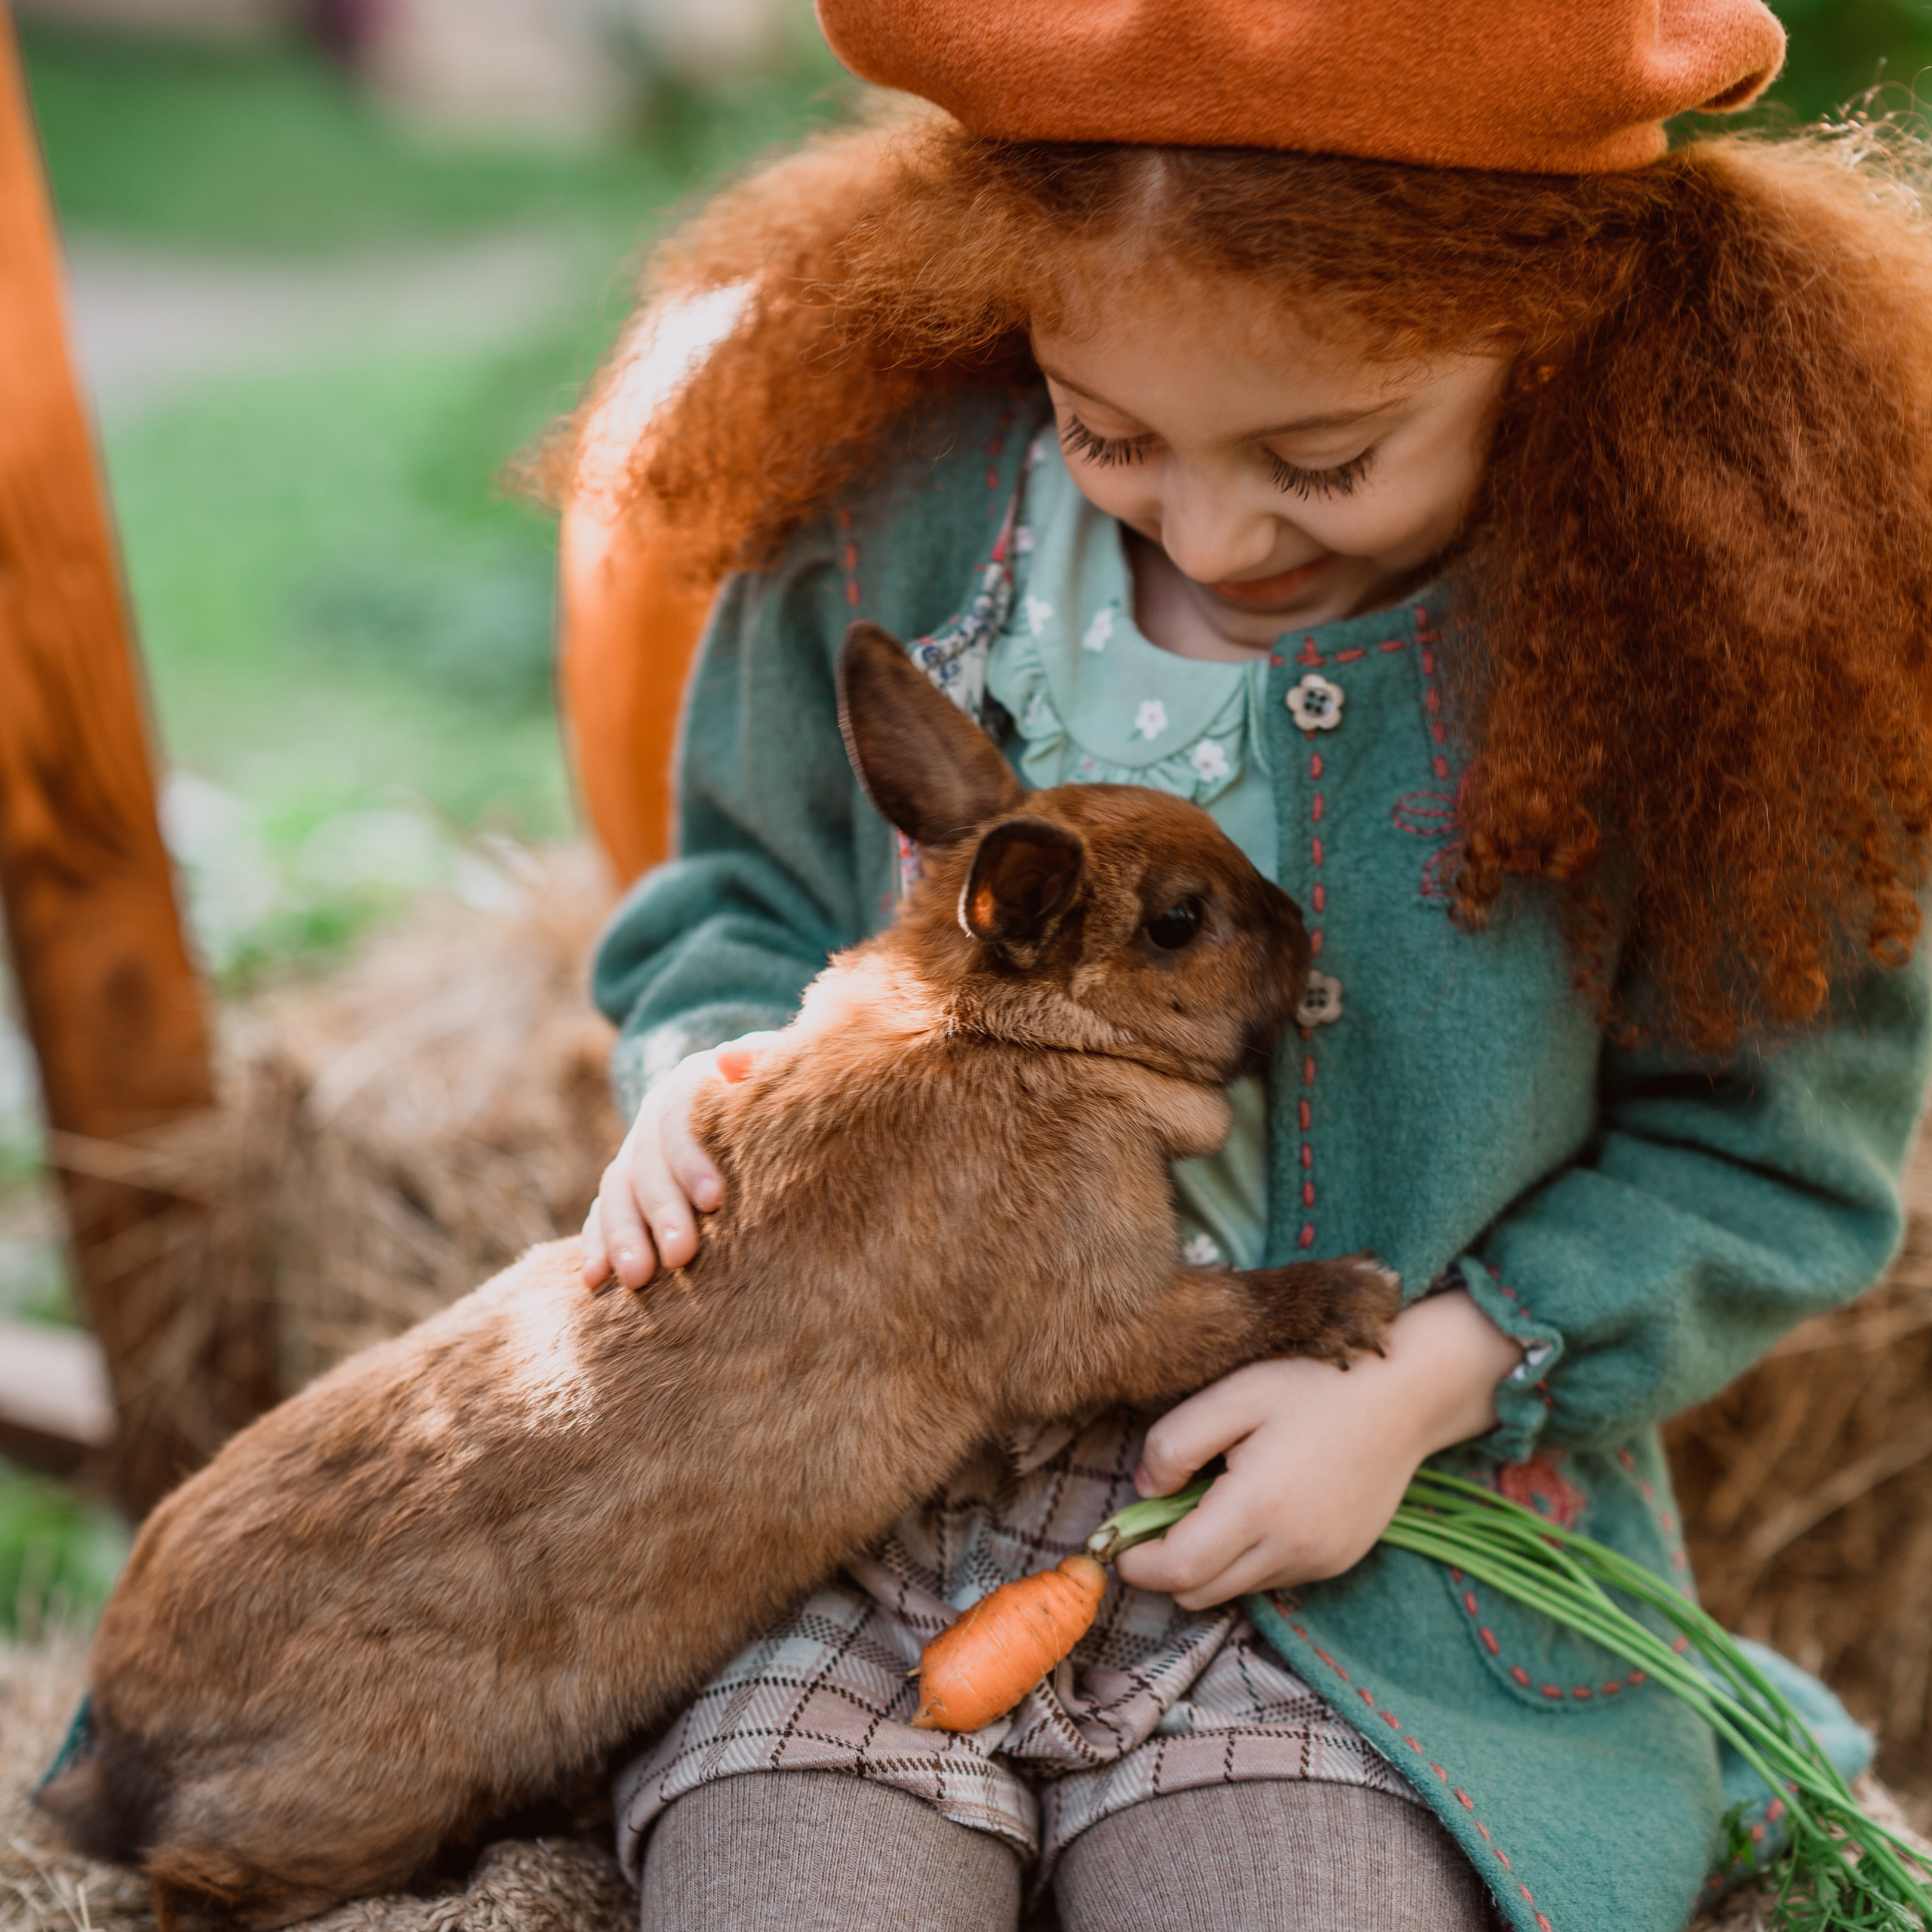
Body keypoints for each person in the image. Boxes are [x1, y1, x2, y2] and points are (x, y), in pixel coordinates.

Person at [574, 4, 1932, 1925]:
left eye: (1323, 456)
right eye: (1107, 432)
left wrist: (1416, 1385)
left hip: (1363, 1565)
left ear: (1562, 347)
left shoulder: (1699, 621)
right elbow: (732, 896)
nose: (1209, 529)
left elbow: (1770, 1150)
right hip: (848, 1509)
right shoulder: (896, 506)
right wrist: (699, 1072)